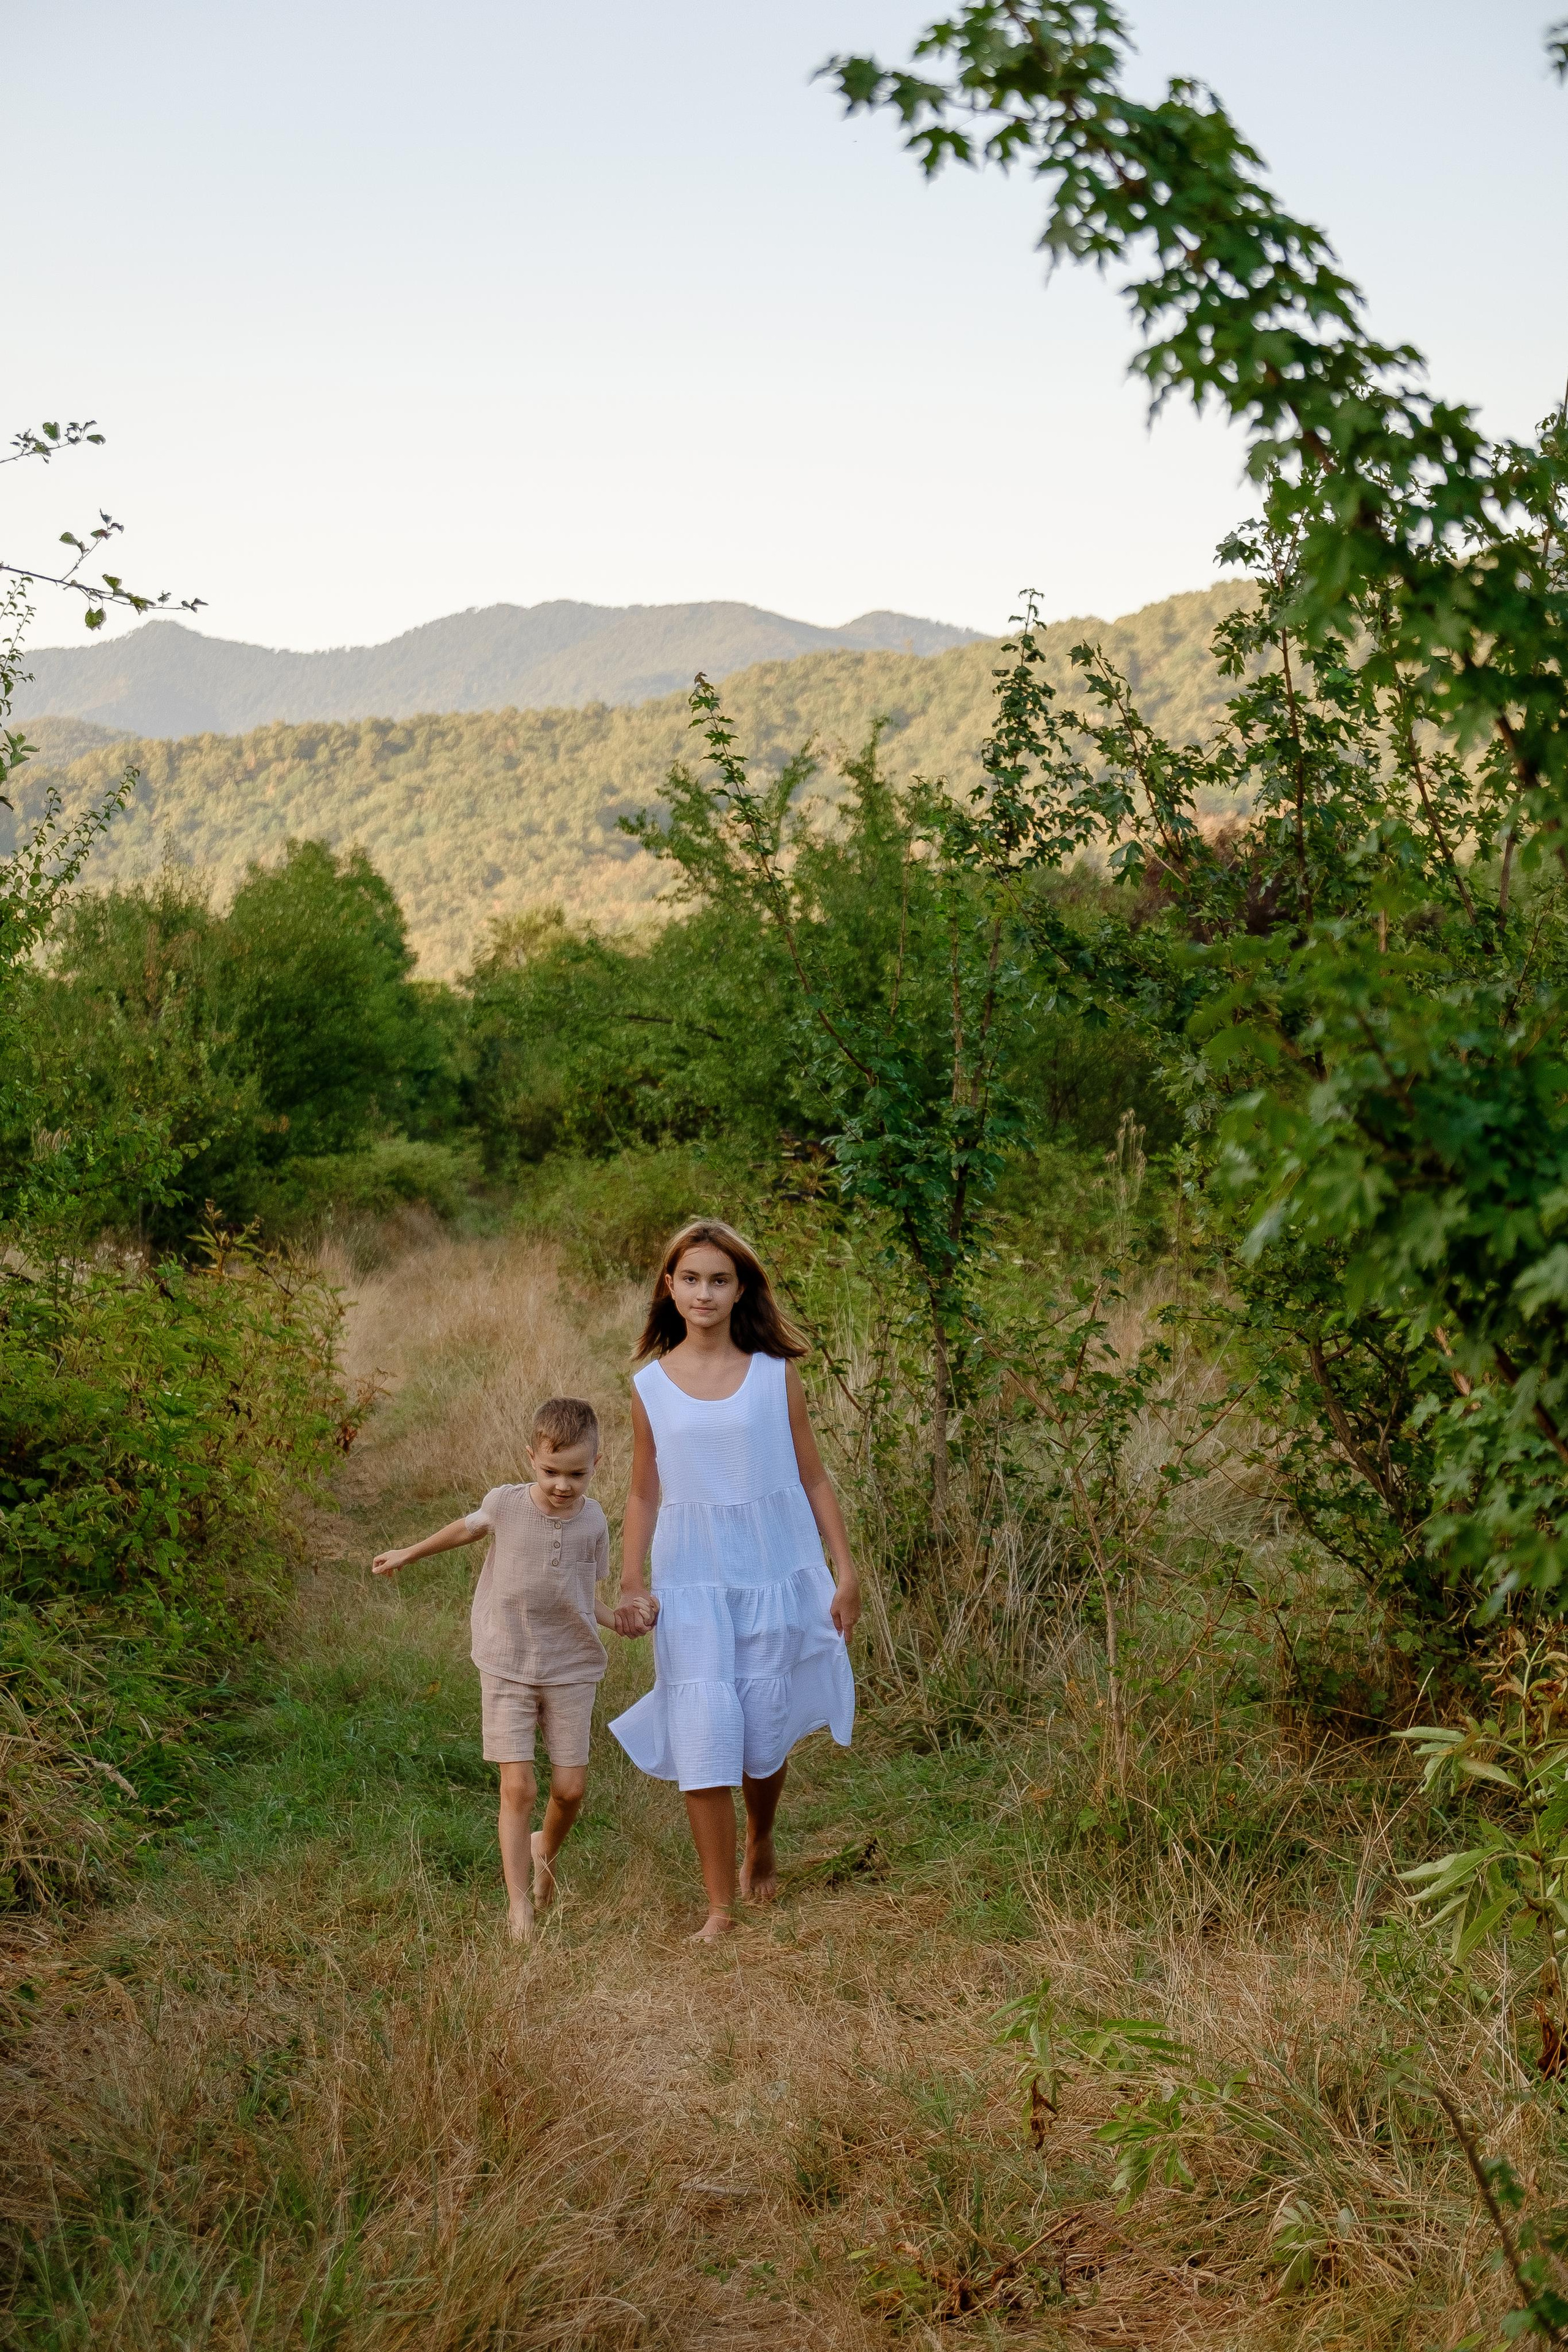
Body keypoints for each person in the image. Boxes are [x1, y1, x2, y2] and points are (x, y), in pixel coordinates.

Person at [609, 1220, 860, 1940]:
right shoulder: (650, 1387)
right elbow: (643, 1492)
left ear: (740, 1288)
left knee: (761, 1725)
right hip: (690, 1579)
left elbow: (812, 1475)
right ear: (670, 1287)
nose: (704, 1292)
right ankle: (718, 1907)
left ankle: (762, 1835)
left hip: (773, 1570)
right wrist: (633, 1581)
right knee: (705, 1725)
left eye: (719, 1279)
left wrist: (844, 1569)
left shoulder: (775, 1374)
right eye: (690, 1279)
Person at [371, 1395, 654, 1941]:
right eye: (551, 1471)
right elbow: (466, 1528)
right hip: (508, 1660)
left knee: (570, 1790)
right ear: (531, 1458)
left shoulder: (594, 1519)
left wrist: (614, 1620)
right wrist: (408, 1552)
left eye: (576, 1473)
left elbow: (583, 1591)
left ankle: (544, 1848)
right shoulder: (505, 1504)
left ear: (599, 1465)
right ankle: (519, 1909)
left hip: (571, 1664)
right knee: (518, 1788)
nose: (562, 1485)